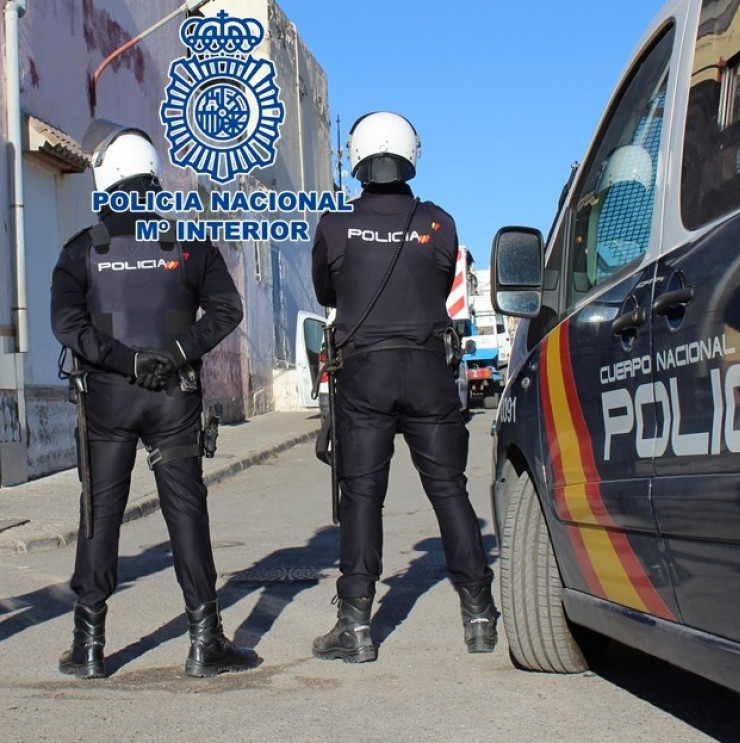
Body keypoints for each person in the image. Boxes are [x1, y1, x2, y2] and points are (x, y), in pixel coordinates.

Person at [51, 120, 259, 679]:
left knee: (99, 516)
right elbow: (227, 312)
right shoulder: (188, 245)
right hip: (173, 396)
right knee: (187, 512)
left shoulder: (82, 250)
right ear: (151, 176)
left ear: (107, 176)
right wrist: (173, 353)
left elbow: (66, 323)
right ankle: (204, 639)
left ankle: (89, 645)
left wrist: (126, 361)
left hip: (109, 401)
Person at [310, 111, 497, 663]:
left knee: (363, 494)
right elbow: (442, 281)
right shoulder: (439, 223)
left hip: (364, 374)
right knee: (449, 489)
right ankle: (480, 615)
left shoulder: (334, 226)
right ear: (411, 154)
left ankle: (356, 625)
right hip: (427, 371)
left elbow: (327, 290)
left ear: (357, 159)